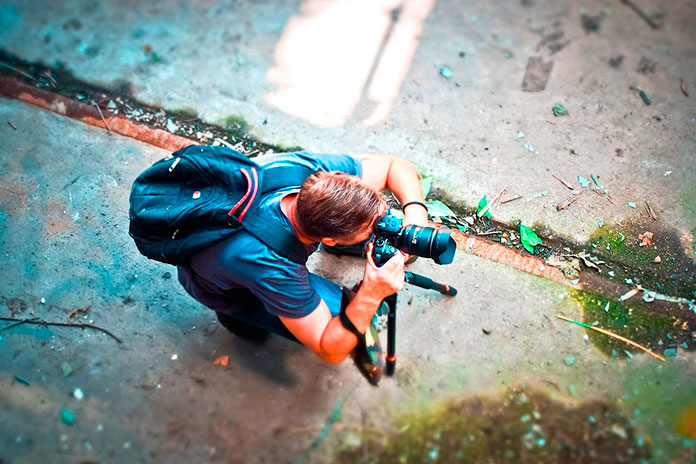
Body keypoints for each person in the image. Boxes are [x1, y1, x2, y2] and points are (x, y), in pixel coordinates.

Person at [177, 151, 428, 382]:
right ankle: (238, 320)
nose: (384, 229)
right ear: (328, 239)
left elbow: (394, 166)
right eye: (371, 230)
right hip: (222, 285)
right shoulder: (272, 266)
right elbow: (329, 349)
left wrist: (415, 217)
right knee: (352, 322)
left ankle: (349, 242)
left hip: (234, 240)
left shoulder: (314, 178)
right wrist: (372, 294)